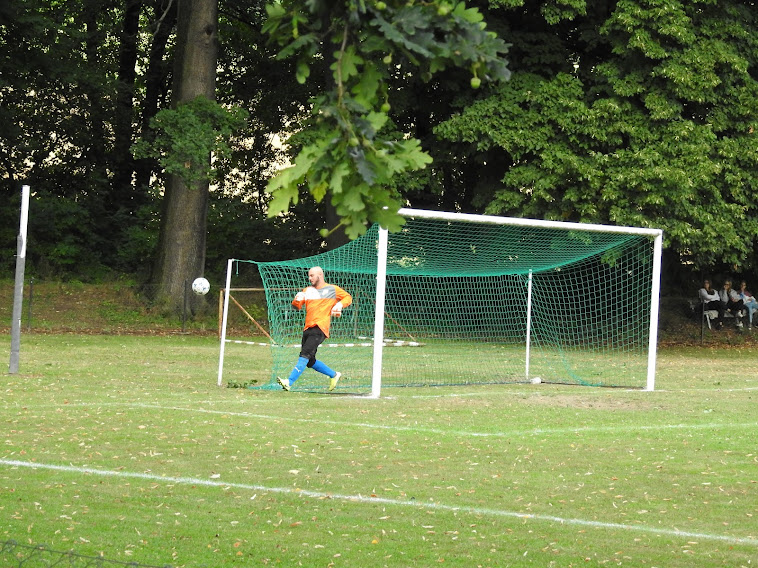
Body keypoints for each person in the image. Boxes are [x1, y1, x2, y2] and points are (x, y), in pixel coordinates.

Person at [278, 266, 352, 392]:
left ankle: (289, 382)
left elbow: (348, 298)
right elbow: (297, 307)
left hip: (320, 327)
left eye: (312, 275)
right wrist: (297, 300)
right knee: (309, 361)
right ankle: (334, 375)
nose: (309, 278)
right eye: (309, 275)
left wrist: (339, 304)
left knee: (304, 354)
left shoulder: (332, 289)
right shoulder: (307, 290)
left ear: (320, 275)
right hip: (308, 327)